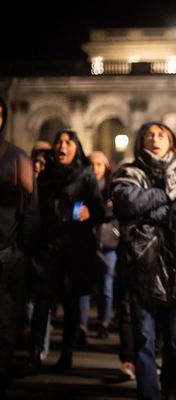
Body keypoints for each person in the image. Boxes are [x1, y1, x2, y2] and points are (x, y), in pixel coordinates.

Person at [111, 121, 176, 400]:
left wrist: (150, 209)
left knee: (175, 338)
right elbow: (127, 202)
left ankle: (171, 387)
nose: (155, 139)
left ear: (172, 142)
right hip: (142, 264)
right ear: (140, 141)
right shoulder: (130, 171)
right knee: (144, 336)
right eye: (149, 135)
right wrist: (167, 196)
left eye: (161, 135)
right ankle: (149, 394)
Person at [30, 129, 105, 373]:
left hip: (73, 248)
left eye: (68, 142)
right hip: (47, 246)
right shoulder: (44, 174)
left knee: (71, 303)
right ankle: (35, 352)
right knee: (42, 301)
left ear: (76, 148)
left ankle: (67, 353)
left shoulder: (85, 175)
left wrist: (88, 212)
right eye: (58, 141)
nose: (62, 146)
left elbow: (98, 209)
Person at [0, 98, 39, 397]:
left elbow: (30, 210)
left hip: (7, 253)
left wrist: (22, 249)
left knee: (5, 319)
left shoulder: (15, 156)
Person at [78, 151, 119, 344]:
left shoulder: (111, 188)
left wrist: (94, 210)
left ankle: (104, 321)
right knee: (84, 285)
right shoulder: (81, 186)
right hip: (86, 240)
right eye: (91, 164)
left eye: (99, 165)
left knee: (106, 285)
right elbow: (76, 211)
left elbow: (113, 211)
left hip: (108, 242)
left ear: (106, 167)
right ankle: (82, 325)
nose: (95, 168)